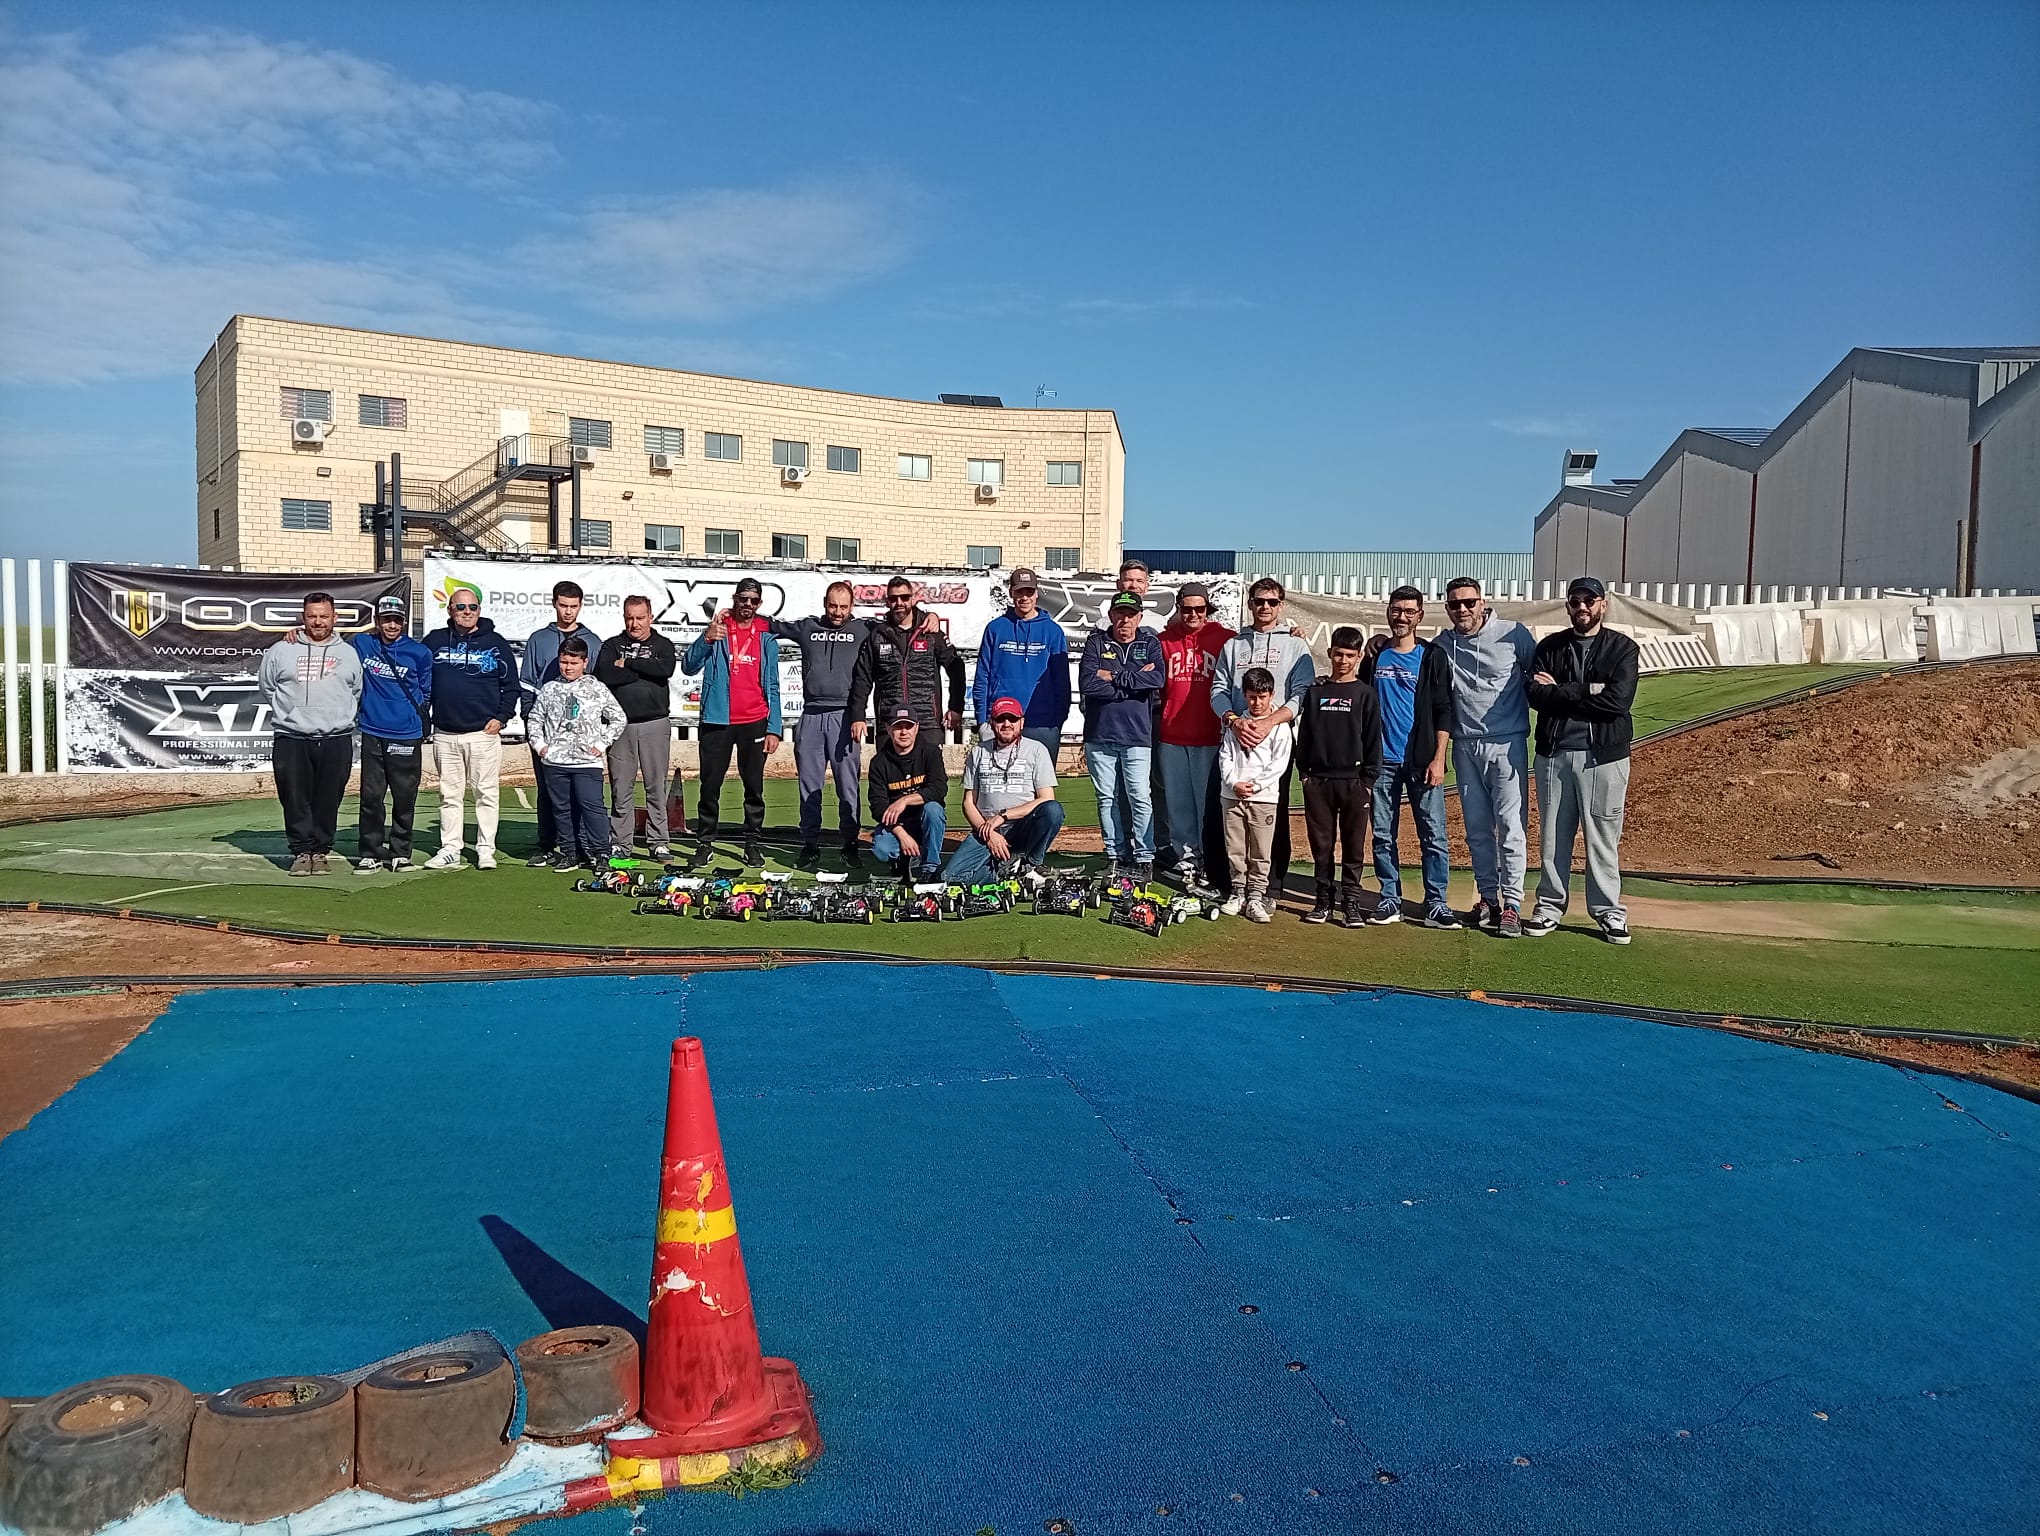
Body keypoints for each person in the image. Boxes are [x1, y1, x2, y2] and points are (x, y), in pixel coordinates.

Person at [1523, 577, 1639, 944]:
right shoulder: (1550, 647)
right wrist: (1588, 691)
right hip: (1555, 756)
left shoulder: (1622, 648)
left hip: (1603, 758)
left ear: (1603, 604)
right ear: (1568, 606)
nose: (1582, 607)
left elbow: (1617, 702)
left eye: (1590, 600)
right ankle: (1549, 906)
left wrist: (1563, 690)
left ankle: (1608, 911)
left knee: (1602, 836)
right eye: (1576, 601)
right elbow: (1536, 695)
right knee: (1553, 838)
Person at [1434, 577, 1537, 938]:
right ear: (1447, 608)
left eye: (1469, 602)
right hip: (1464, 746)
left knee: (1510, 826)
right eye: (1455, 604)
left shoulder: (1514, 634)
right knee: (1477, 829)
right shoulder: (1443, 644)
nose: (1462, 609)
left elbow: (1539, 676)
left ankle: (1513, 905)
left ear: (1482, 603)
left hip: (1507, 744)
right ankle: (1489, 899)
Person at [1210, 578, 1317, 907]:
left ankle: (1271, 885)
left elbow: (1302, 693)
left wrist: (1270, 721)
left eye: (1272, 601)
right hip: (1238, 738)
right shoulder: (1233, 645)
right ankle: (1233, 884)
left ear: (1281, 605)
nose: (1265, 607)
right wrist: (1234, 721)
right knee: (1229, 812)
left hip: (1276, 740)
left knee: (1273, 811)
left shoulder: (1295, 645)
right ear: (1250, 604)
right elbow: (1218, 690)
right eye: (1259, 601)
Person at [1361, 586, 1456, 928]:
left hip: (1421, 761)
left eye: (1408, 611)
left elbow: (1444, 709)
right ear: (1388, 612)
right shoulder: (1375, 655)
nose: (1401, 617)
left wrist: (1438, 758)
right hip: (1381, 762)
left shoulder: (1432, 656)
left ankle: (1436, 903)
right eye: (1396, 610)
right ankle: (1390, 898)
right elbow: (1360, 701)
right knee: (1383, 835)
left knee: (1433, 835)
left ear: (1420, 616)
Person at [767, 580, 872, 868]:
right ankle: (810, 844)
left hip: (844, 718)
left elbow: (901, 623)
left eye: (843, 607)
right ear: (825, 603)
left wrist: (928, 615)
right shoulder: (808, 628)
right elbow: (771, 626)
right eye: (833, 606)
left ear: (852, 606)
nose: (837, 612)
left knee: (848, 787)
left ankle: (850, 844)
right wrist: (735, 615)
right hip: (811, 716)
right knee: (809, 786)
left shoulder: (864, 629)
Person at [257, 591, 362, 876]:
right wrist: (293, 713)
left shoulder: (348, 654)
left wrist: (333, 714)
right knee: (294, 798)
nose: (318, 622)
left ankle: (321, 851)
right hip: (292, 737)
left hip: (335, 738)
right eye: (312, 616)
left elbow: (355, 690)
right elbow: (268, 687)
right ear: (302, 618)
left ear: (334, 618)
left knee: (328, 799)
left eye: (324, 616)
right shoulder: (281, 650)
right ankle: (302, 851)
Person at [681, 576, 782, 867]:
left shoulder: (766, 636)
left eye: (753, 601)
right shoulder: (719, 628)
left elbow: (773, 684)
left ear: (759, 603)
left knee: (754, 787)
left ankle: (752, 843)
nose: (747, 604)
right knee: (710, 785)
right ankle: (705, 842)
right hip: (717, 720)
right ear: (735, 599)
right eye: (743, 599)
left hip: (755, 720)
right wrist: (707, 638)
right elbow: (688, 666)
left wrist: (774, 727)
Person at [421, 585, 519, 870]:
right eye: (461, 607)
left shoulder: (496, 643)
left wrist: (501, 718)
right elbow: (418, 677)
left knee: (485, 793)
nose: (467, 612)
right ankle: (450, 848)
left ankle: (485, 849)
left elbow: (511, 687)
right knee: (449, 795)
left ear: (479, 610)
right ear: (451, 610)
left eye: (472, 607)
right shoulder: (435, 641)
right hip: (444, 733)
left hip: (482, 734)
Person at [1296, 627, 1383, 925]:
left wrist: (1367, 781)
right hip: (1318, 782)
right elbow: (1305, 735)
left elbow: (1373, 739)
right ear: (1330, 653)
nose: (1343, 661)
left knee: (1353, 846)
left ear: (1358, 657)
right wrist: (1304, 773)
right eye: (1338, 654)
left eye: (1349, 656)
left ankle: (1351, 903)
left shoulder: (1365, 694)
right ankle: (1323, 901)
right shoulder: (1316, 691)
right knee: (1322, 846)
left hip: (1354, 783)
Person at [1081, 591, 1165, 882]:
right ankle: (1115, 855)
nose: (1125, 620)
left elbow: (1157, 679)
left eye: (1131, 614)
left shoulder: (1149, 643)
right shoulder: (1096, 642)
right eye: (1120, 614)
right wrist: (1133, 682)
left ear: (1139, 617)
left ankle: (1144, 858)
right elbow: (1088, 684)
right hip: (1099, 735)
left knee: (1140, 796)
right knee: (1107, 798)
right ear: (1111, 616)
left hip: (1137, 736)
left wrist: (1114, 676)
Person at [1157, 581, 1234, 897]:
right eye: (1186, 609)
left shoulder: (1225, 639)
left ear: (1207, 610)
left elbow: (1256, 645)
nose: (1193, 615)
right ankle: (1187, 861)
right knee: (1178, 806)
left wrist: (1289, 633)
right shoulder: (1164, 641)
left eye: (1199, 609)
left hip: (1210, 736)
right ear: (1179, 609)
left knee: (1207, 806)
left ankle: (1212, 862)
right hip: (1172, 734)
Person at [528, 635, 628, 870]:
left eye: (574, 663)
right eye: (564, 662)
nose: (568, 667)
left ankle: (601, 853)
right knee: (561, 810)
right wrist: (540, 746)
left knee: (592, 807)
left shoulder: (597, 688)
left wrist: (601, 744)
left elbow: (618, 718)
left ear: (585, 662)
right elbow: (534, 719)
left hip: (586, 763)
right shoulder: (549, 689)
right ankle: (569, 853)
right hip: (555, 763)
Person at [945, 695, 1067, 884]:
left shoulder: (1037, 750)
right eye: (1001, 719)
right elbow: (968, 803)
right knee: (952, 877)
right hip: (987, 829)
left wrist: (1003, 816)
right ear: (992, 722)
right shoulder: (978, 752)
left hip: (1022, 826)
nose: (1007, 724)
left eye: (1013, 719)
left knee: (1053, 810)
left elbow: (1046, 798)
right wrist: (989, 834)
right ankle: (1006, 873)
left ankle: (1031, 863)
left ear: (1022, 722)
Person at [351, 593, 432, 872]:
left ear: (404, 622)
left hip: (406, 734)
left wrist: (410, 716)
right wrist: (296, 633)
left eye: (397, 620)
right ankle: (370, 852)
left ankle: (400, 852)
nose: (392, 626)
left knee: (404, 797)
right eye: (386, 620)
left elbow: (426, 691)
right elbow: (329, 642)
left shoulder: (419, 652)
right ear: (377, 621)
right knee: (371, 797)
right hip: (372, 731)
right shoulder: (362, 643)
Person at [595, 595, 678, 859]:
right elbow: (605, 674)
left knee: (656, 787)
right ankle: (621, 842)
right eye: (630, 618)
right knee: (621, 788)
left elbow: (665, 669)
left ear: (650, 617)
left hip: (655, 723)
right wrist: (643, 671)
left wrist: (629, 663)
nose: (635, 624)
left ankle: (659, 841)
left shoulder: (663, 645)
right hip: (620, 726)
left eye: (640, 618)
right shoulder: (612, 645)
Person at [519, 581, 590, 867]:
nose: (568, 611)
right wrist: (530, 722)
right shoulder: (539, 639)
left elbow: (597, 688)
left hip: (580, 734)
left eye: (573, 606)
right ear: (554, 604)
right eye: (563, 605)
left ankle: (580, 845)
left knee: (580, 790)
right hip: (546, 733)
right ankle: (547, 845)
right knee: (548, 790)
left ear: (580, 606)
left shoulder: (593, 641)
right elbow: (527, 683)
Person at [1218, 667, 1294, 923]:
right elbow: (1225, 757)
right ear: (1245, 695)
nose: (1257, 703)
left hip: (1263, 798)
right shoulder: (1236, 725)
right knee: (1235, 848)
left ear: (1271, 695)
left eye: (1262, 697)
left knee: (1261, 851)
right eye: (1252, 697)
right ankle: (1237, 893)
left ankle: (1256, 897)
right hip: (1232, 796)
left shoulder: (1280, 728)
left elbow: (1279, 764)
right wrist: (1234, 783)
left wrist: (1255, 786)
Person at [849, 575, 966, 741]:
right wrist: (858, 716)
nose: (899, 603)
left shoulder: (931, 632)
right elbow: (863, 679)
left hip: (927, 724)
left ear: (913, 599)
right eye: (893, 598)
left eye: (904, 597)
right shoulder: (877, 635)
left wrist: (956, 707)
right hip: (890, 724)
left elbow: (956, 668)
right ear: (887, 602)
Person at [971, 567, 1071, 761]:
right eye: (1019, 592)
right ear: (1011, 593)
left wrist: (1058, 720)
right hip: (1001, 720)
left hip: (1043, 723)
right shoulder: (995, 628)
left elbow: (1061, 681)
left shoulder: (1053, 631)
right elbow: (983, 676)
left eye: (1029, 592)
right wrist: (983, 719)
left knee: (1040, 779)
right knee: (998, 778)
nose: (1025, 597)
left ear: (1036, 593)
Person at [867, 705, 948, 879]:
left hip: (925, 819)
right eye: (898, 727)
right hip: (898, 825)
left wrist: (904, 800)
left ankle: (930, 868)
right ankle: (902, 861)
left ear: (916, 728)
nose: (904, 732)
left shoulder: (931, 752)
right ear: (888, 729)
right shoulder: (879, 762)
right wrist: (902, 835)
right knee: (882, 849)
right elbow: (878, 807)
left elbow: (939, 788)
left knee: (933, 809)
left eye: (908, 726)